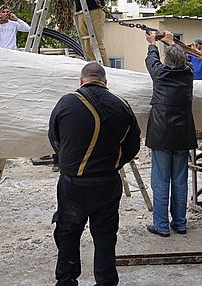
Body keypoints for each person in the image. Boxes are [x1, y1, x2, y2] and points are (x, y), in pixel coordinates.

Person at [48, 62, 141, 286]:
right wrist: (114, 164)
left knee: (68, 234)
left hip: (73, 183)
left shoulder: (66, 102)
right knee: (106, 237)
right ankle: (106, 282)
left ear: (81, 81)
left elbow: (54, 137)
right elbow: (133, 146)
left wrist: (70, 161)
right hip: (108, 182)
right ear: (105, 82)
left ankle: (66, 280)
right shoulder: (122, 105)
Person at [143, 30, 196, 237]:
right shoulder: (189, 74)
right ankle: (180, 223)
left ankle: (162, 225)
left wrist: (151, 43)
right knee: (180, 181)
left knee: (161, 181)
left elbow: (151, 60)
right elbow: (185, 59)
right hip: (183, 135)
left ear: (167, 61)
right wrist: (172, 42)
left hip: (161, 135)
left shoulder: (160, 74)